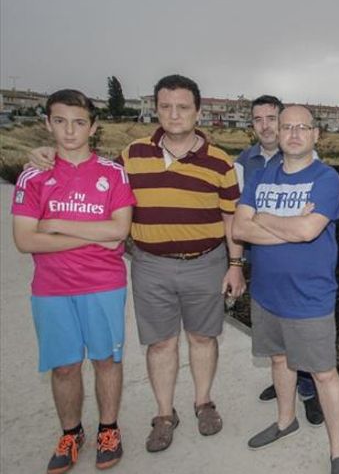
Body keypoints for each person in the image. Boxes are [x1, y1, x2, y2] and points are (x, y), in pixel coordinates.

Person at [28, 75, 246, 453]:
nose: (173, 114)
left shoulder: (220, 161)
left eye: (182, 107)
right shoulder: (132, 155)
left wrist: (235, 264)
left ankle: (203, 402)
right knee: (160, 343)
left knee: (202, 337)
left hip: (205, 262)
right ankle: (164, 415)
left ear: (198, 111)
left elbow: (231, 220)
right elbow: (91, 172)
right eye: (165, 106)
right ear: (156, 109)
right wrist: (47, 153)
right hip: (151, 264)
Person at [13, 89, 135, 473]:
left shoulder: (113, 173)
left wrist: (55, 226)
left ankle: (108, 429)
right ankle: (71, 432)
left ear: (93, 127)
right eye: (61, 121)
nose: (69, 131)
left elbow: (120, 230)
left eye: (79, 122)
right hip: (52, 289)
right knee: (64, 366)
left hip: (103, 283)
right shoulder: (33, 175)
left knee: (105, 360)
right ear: (48, 123)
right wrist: (94, 234)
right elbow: (25, 239)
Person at [233, 105, 339, 473]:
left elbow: (308, 232)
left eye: (303, 127)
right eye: (287, 127)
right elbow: (239, 229)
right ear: (276, 134)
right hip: (267, 294)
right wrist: (289, 223)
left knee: (323, 373)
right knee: (279, 359)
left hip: (310, 297)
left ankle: (337, 451)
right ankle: (286, 421)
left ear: (316, 134)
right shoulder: (261, 175)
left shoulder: (326, 178)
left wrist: (265, 218)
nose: (294, 133)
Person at [234, 95, 324, 426]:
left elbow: (309, 226)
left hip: (300, 266)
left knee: (303, 337)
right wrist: (237, 264)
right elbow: (241, 220)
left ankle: (309, 392)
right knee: (278, 341)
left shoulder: (309, 162)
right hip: (263, 260)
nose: (266, 126)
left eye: (272, 118)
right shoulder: (246, 163)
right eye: (258, 120)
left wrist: (265, 220)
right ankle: (284, 385)